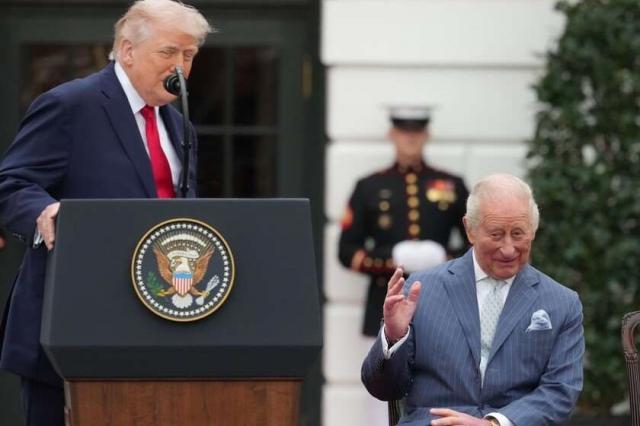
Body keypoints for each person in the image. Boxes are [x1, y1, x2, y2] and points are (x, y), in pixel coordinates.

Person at [0, 1, 211, 424]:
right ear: (128, 50)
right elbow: (12, 184)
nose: (181, 66)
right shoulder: (71, 105)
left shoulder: (178, 125)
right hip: (71, 319)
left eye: (189, 55)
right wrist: (43, 211)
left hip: (153, 321)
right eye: (168, 52)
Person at [362, 174, 584, 426]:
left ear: (533, 231)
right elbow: (383, 389)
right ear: (470, 230)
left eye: (518, 234)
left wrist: (493, 424)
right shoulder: (421, 290)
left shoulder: (562, 303)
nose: (508, 248)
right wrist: (393, 337)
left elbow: (560, 391)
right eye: (496, 234)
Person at [338, 106, 469, 339]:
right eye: (403, 130)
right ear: (391, 134)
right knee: (385, 362)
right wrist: (392, 259)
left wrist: (445, 259)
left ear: (427, 134)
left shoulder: (452, 184)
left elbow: (476, 241)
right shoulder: (369, 186)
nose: (410, 137)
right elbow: (346, 251)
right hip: (385, 300)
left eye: (417, 131)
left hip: (441, 300)